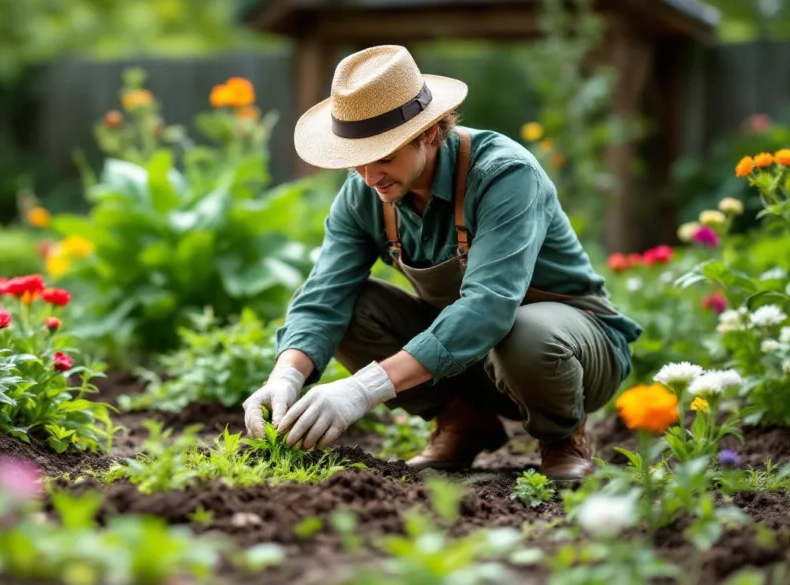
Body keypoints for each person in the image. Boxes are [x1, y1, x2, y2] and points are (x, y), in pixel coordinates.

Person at [241, 45, 642, 480]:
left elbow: (489, 307)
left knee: (525, 332)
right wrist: (284, 377)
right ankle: (463, 422)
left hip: (571, 354)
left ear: (429, 133)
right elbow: (324, 296)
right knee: (350, 308)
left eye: (385, 157)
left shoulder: (503, 175)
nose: (369, 177)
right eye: (357, 161)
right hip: (468, 359)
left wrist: (363, 389)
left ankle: (562, 437)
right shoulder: (366, 194)